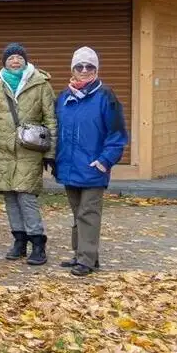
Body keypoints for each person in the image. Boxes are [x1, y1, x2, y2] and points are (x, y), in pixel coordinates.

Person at [54, 47, 128, 277]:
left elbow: (117, 134)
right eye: (80, 66)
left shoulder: (106, 96)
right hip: (69, 166)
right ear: (72, 69)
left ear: (96, 69)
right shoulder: (64, 98)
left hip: (93, 167)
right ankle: (83, 255)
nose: (84, 70)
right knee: (78, 213)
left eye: (90, 66)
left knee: (88, 211)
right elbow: (57, 131)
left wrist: (104, 161)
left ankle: (86, 258)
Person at [0, 43, 57, 266]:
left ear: (25, 60)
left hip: (29, 150)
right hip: (2, 150)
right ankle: (19, 240)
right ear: (4, 62)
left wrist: (51, 153)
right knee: (10, 197)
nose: (15, 61)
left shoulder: (40, 84)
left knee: (26, 197)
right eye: (10, 58)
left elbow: (50, 119)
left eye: (18, 57)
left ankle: (37, 242)